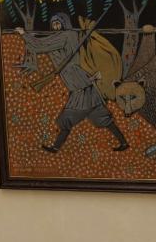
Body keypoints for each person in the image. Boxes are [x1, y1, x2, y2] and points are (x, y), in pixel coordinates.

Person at [16, 12, 128, 153]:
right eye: (53, 24)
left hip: (79, 88)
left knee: (66, 119)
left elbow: (40, 46)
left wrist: (24, 34)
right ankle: (124, 142)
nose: (56, 26)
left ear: (64, 23)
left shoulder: (65, 36)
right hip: (85, 85)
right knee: (101, 116)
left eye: (58, 23)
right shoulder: (71, 35)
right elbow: (45, 44)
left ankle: (56, 148)